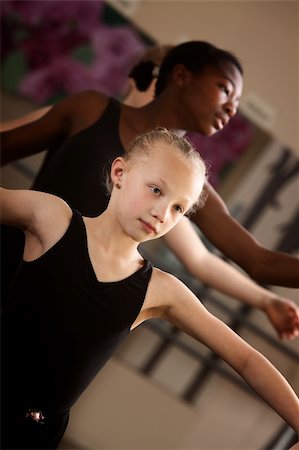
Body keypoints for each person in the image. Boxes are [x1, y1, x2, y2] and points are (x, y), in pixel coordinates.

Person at [1, 128, 299, 450]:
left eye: (178, 209)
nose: (162, 214)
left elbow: (246, 359)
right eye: (156, 190)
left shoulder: (160, 291)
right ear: (120, 172)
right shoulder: (52, 219)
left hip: (29, 437)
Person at [1, 41, 299, 340]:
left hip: (63, 313)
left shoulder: (186, 188)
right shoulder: (90, 109)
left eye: (236, 101)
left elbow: (259, 262)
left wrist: (267, 300)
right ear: (181, 76)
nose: (233, 108)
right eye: (225, 88)